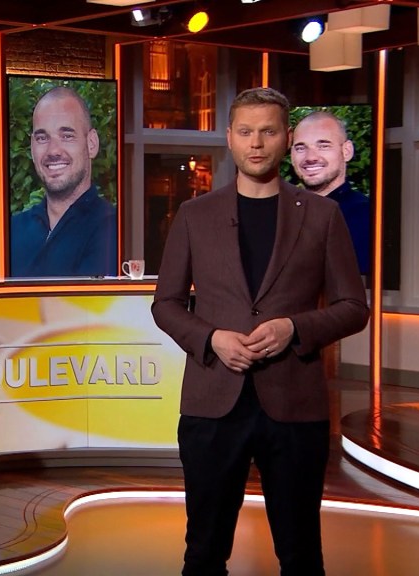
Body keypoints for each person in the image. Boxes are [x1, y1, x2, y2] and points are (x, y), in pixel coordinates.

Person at [151, 87, 369, 576]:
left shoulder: (323, 216)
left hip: (295, 404)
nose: (256, 143)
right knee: (203, 554)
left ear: (286, 138)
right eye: (246, 132)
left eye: (268, 132)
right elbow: (165, 304)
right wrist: (212, 339)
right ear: (229, 137)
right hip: (212, 404)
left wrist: (295, 328)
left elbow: (354, 308)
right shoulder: (194, 215)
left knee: (300, 556)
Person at [10, 86, 117, 277]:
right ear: (32, 148)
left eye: (67, 136)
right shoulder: (13, 230)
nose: (53, 150)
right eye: (42, 138)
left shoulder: (113, 229)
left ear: (91, 144)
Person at [291, 110, 372, 275]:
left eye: (323, 146)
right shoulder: (282, 212)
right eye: (300, 148)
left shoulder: (366, 216)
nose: (310, 157)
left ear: (347, 151)